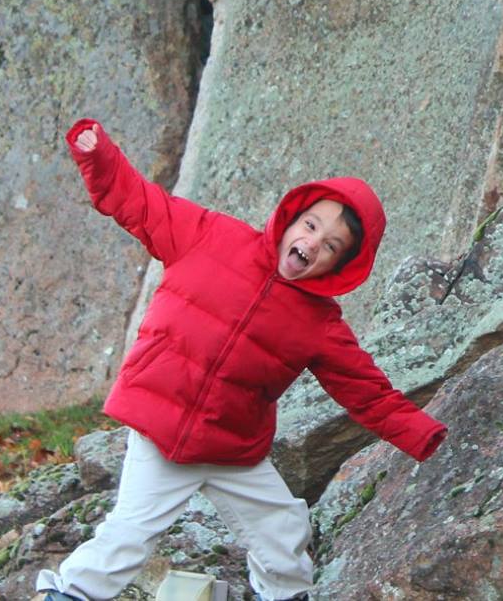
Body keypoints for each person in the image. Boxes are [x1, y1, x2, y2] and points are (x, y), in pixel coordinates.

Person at [37, 119, 446, 601]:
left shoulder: (320, 324)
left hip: (233, 450)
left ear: (340, 266)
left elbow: (370, 395)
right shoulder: (209, 236)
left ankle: (284, 595)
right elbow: (139, 201)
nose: (312, 243)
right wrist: (99, 155)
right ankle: (67, 594)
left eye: (330, 246)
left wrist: (426, 437)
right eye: (311, 226)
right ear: (291, 218)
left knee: (283, 530)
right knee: (128, 536)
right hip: (161, 435)